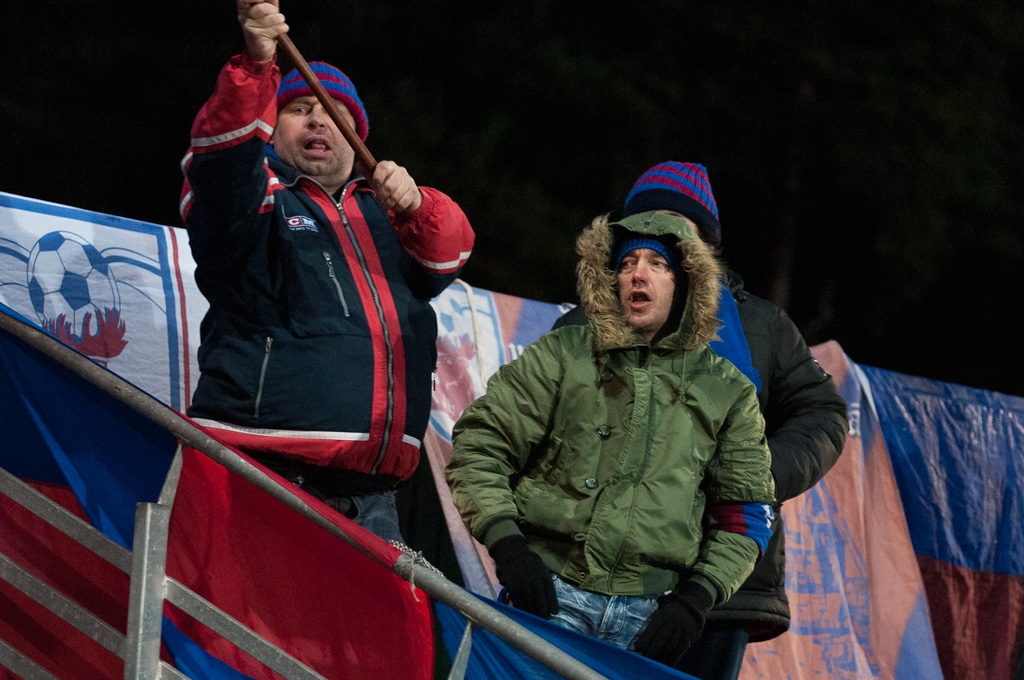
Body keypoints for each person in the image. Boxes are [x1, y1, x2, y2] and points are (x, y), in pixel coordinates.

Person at [179, 0, 474, 545]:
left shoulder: (388, 217)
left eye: (335, 111)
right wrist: (252, 69)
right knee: (239, 632)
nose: (318, 118)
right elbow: (220, 169)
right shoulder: (258, 197)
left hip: (374, 500)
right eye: (299, 109)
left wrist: (418, 206)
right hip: (263, 478)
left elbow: (448, 255)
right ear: (269, 127)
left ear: (355, 137)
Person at [554, 161, 848, 679]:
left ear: (704, 245)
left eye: (676, 226)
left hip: (716, 596)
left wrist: (757, 473)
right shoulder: (583, 323)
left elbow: (821, 413)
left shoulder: (761, 325)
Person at [445, 209, 777, 666]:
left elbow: (747, 514)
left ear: (686, 284)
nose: (638, 273)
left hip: (649, 622)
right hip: (548, 599)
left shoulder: (728, 390)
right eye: (625, 263)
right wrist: (508, 546)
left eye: (657, 264)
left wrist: (695, 600)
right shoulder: (563, 354)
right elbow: (479, 447)